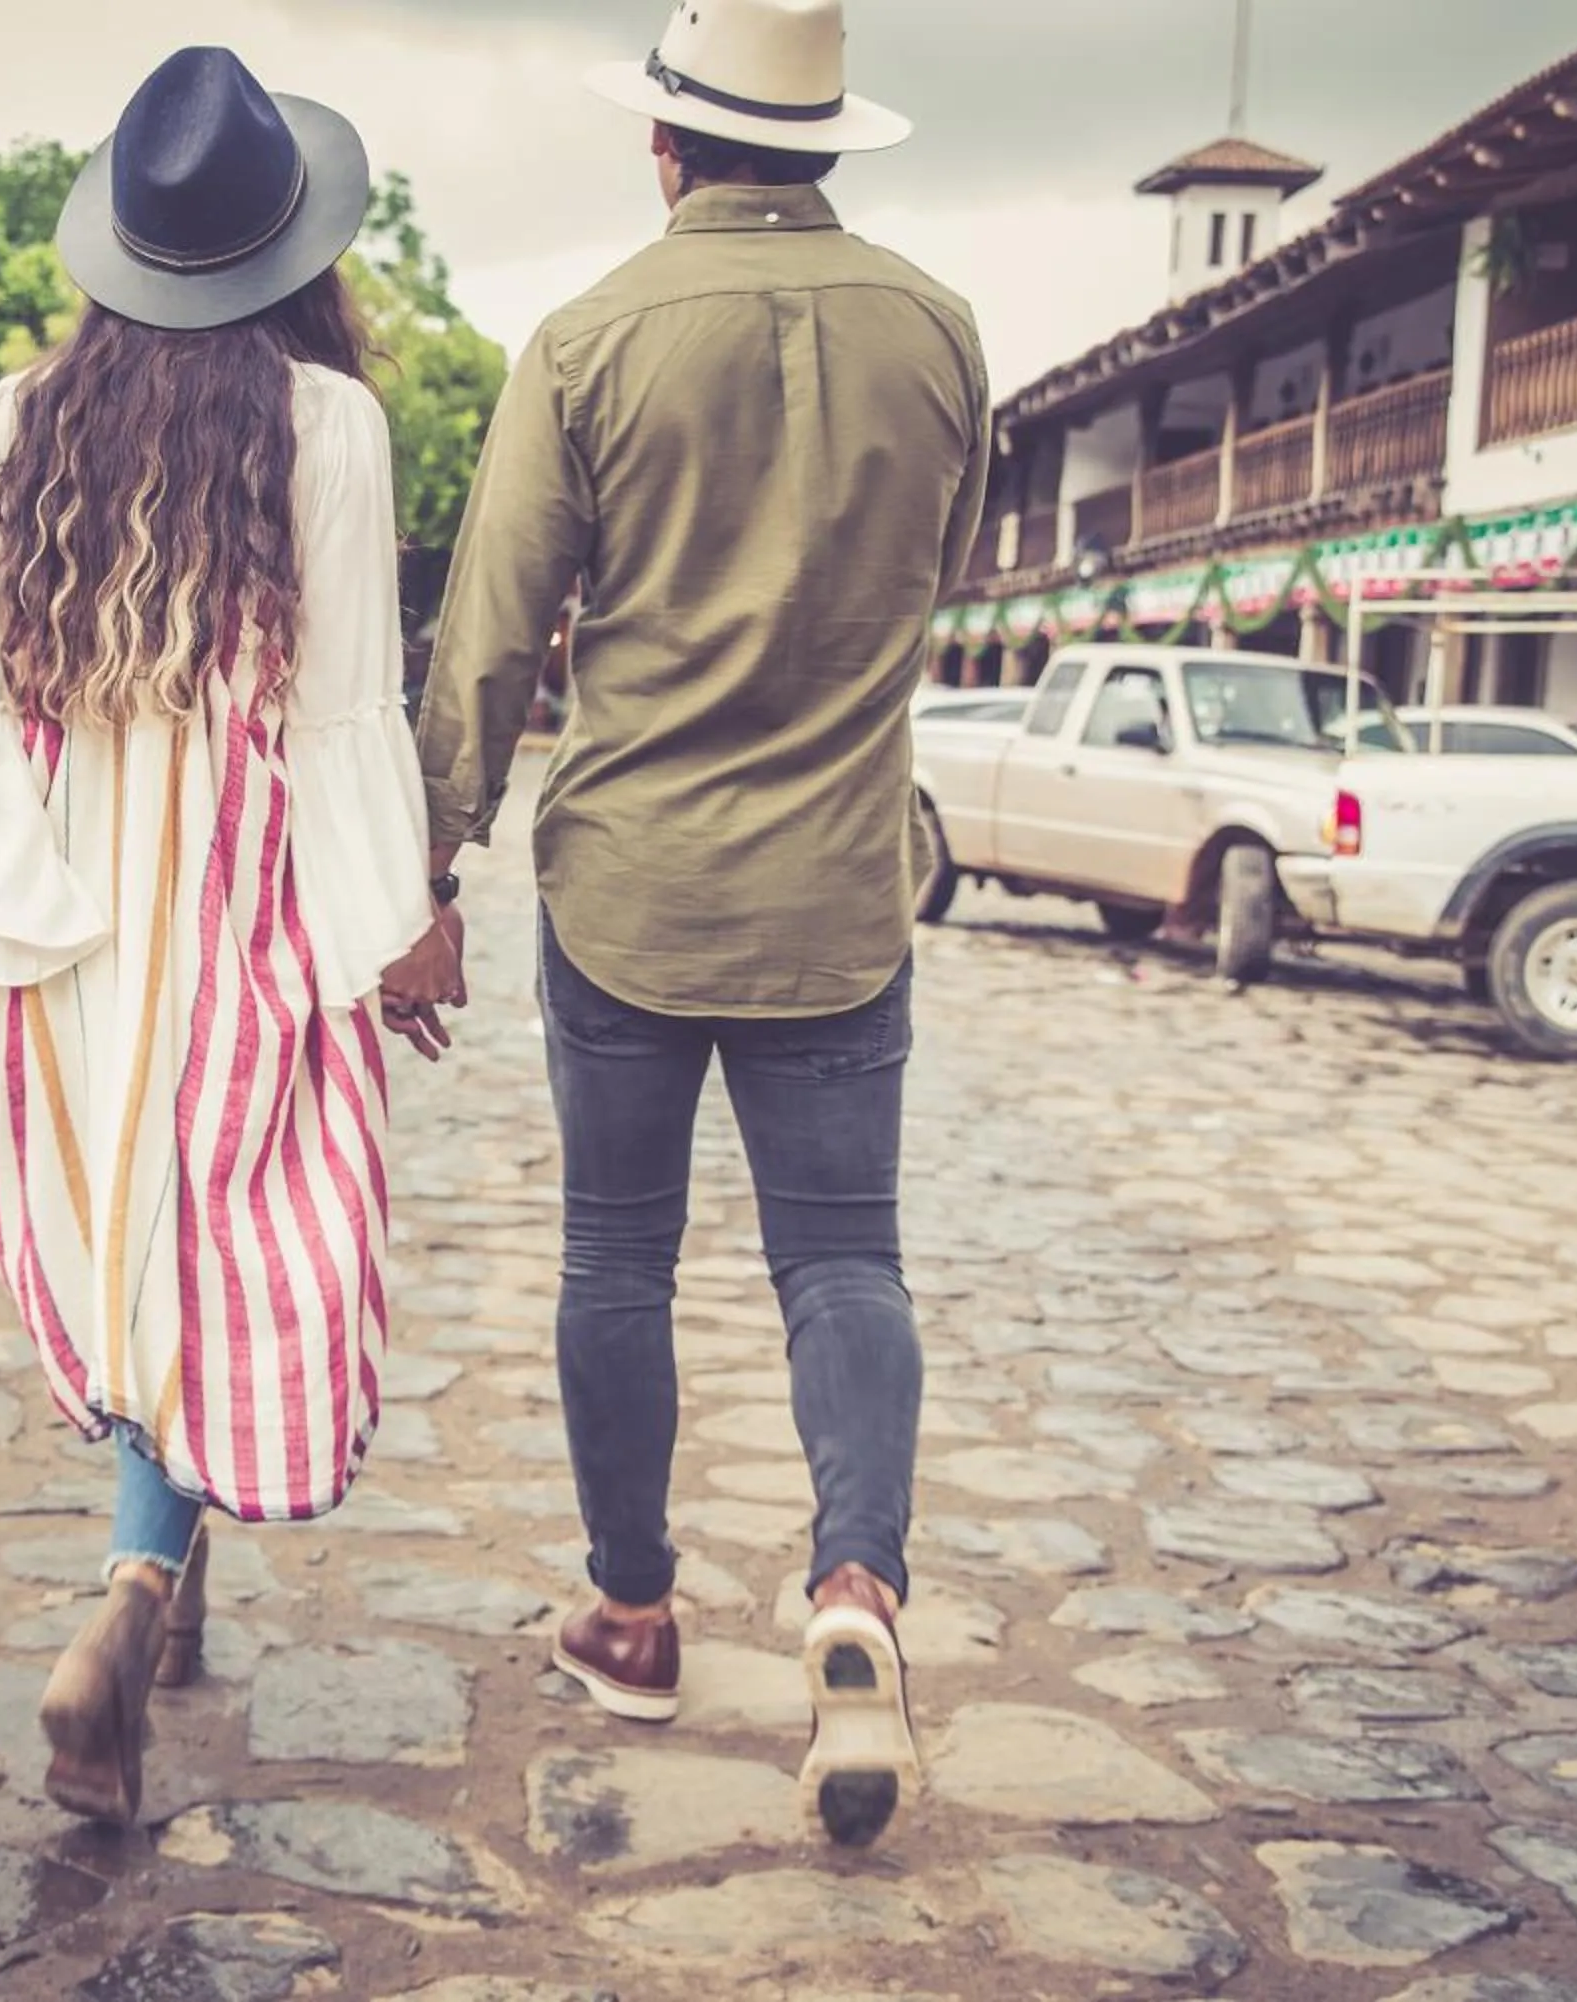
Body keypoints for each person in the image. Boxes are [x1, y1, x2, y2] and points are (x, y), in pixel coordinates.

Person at [397, 0, 992, 1850]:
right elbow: (931, 584)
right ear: (826, 147)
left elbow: (490, 631)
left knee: (614, 1256)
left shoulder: (581, 341)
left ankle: (635, 1614)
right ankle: (855, 1597)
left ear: (666, 146)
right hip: (838, 890)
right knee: (844, 1261)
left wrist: (428, 864)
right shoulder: (941, 333)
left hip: (632, 885)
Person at [0, 46, 449, 1827]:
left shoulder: (18, 418)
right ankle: (137, 1590)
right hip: (250, 916)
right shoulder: (331, 429)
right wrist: (399, 927)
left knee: (136, 1244)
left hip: (60, 933)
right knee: (248, 1247)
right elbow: (350, 717)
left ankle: (151, 1585)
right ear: (292, 253)